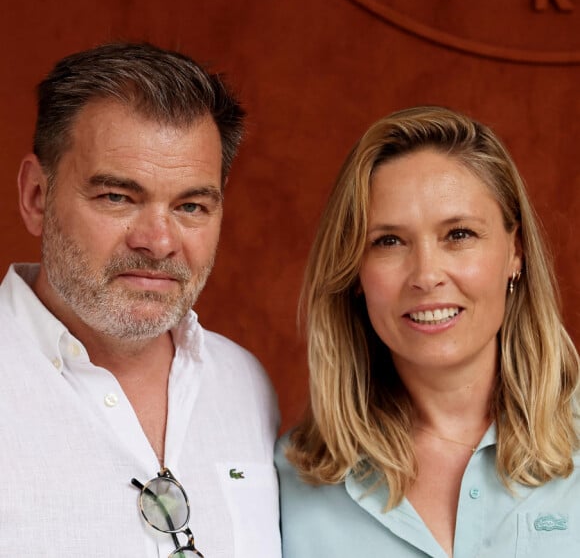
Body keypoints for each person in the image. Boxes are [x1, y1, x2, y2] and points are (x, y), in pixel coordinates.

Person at [0, 42, 281, 557]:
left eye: (191, 205)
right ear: (36, 197)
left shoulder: (247, 385)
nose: (157, 241)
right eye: (117, 197)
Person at [276, 106, 580, 557]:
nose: (426, 275)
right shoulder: (285, 484)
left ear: (514, 252)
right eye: (389, 241)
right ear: (355, 273)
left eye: (458, 234)